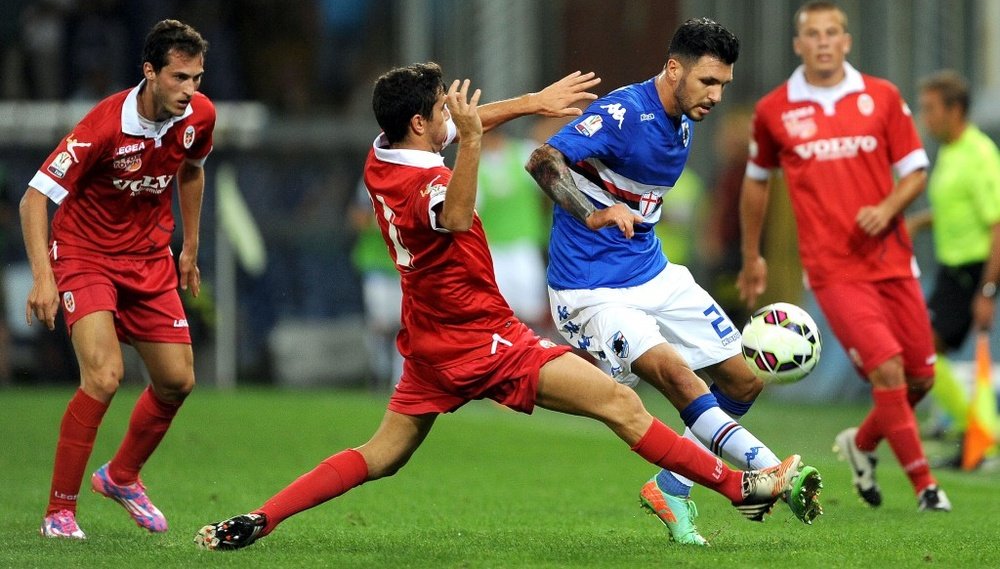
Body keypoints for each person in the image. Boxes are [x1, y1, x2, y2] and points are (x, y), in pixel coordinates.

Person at [194, 63, 805, 551]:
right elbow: (456, 214)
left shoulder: (383, 154)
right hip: (482, 338)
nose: (454, 119)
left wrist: (533, 103)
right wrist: (478, 143)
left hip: (429, 340)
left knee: (380, 455)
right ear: (419, 125)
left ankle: (260, 518)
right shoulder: (428, 183)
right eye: (442, 113)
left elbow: (462, 126)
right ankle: (736, 487)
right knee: (620, 402)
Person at [525, 18, 822, 547]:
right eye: (707, 81)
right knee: (679, 376)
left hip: (654, 272)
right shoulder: (623, 113)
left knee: (743, 381)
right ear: (673, 68)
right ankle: (772, 471)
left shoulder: (683, 121)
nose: (715, 95)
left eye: (724, 85)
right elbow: (543, 159)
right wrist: (591, 213)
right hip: (591, 289)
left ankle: (671, 485)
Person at [737, 0, 951, 512]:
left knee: (922, 377)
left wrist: (888, 207)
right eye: (813, 33)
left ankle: (862, 443)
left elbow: (917, 170)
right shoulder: (775, 110)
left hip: (894, 261)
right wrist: (752, 256)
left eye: (832, 32)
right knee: (889, 372)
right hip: (834, 271)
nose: (824, 41)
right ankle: (927, 489)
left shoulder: (880, 97)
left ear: (847, 41)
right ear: (798, 44)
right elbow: (756, 183)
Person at [21, 19, 214, 539]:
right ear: (149, 72)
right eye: (178, 78)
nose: (189, 91)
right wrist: (43, 278)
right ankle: (59, 512)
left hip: (149, 260)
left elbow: (192, 168)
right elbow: (34, 197)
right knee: (104, 376)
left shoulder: (199, 116)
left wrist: (190, 247)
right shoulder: (104, 126)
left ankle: (122, 475)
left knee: (178, 381)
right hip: (86, 255)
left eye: (196, 78)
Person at [907, 70, 1000, 443]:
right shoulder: (949, 151)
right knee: (925, 352)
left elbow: (996, 224)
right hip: (953, 269)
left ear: (955, 109)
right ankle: (968, 428)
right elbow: (954, 210)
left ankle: (975, 432)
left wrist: (987, 291)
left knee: (924, 351)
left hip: (973, 270)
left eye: (931, 109)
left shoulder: (979, 154)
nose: (924, 117)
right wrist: (917, 223)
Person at [477, 128, 550, 329]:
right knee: (503, 312)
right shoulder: (475, 166)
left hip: (524, 244)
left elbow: (547, 193)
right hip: (494, 251)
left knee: (532, 309)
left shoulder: (524, 153)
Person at [348, 176, 404, 388]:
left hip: (406, 266)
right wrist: (386, 220)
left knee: (405, 324)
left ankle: (399, 380)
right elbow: (357, 218)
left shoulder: (420, 177)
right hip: (376, 264)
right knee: (380, 323)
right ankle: (378, 372)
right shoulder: (372, 181)